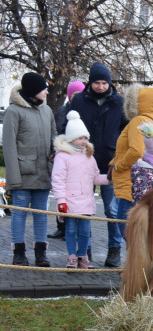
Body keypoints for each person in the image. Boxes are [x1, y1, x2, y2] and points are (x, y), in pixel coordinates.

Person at [68, 62, 126, 267]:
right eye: (97, 83)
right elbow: (67, 128)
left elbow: (126, 129)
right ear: (90, 83)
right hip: (84, 160)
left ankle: (114, 249)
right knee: (83, 209)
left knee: (112, 209)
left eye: (104, 83)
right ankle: (84, 250)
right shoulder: (79, 102)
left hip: (110, 161)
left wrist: (120, 154)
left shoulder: (119, 102)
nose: (101, 87)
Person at [4, 72, 57, 267]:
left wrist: (55, 155)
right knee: (19, 214)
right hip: (22, 174)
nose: (46, 91)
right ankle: (19, 252)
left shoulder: (47, 111)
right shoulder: (14, 111)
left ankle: (41, 253)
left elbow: (54, 137)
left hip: (42, 173)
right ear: (34, 91)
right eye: (43, 88)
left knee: (41, 214)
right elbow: (9, 146)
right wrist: (14, 179)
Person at [109, 84, 153, 267]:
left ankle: (133, 270)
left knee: (126, 228)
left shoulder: (138, 121)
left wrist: (118, 165)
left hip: (130, 182)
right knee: (141, 230)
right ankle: (141, 268)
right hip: (149, 182)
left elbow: (136, 151)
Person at [51, 111, 109, 269]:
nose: (84, 141)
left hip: (86, 200)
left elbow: (95, 177)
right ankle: (71, 256)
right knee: (70, 230)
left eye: (85, 138)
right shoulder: (62, 157)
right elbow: (58, 179)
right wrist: (61, 201)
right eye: (80, 138)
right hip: (70, 201)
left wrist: (109, 178)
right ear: (71, 138)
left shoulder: (89, 156)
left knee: (85, 231)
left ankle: (83, 256)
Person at [49, 80, 87, 241]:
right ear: (70, 96)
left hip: (80, 157)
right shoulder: (62, 111)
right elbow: (58, 131)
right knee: (62, 192)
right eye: (75, 95)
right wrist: (55, 150)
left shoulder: (86, 110)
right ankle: (61, 226)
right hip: (65, 153)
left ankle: (77, 229)